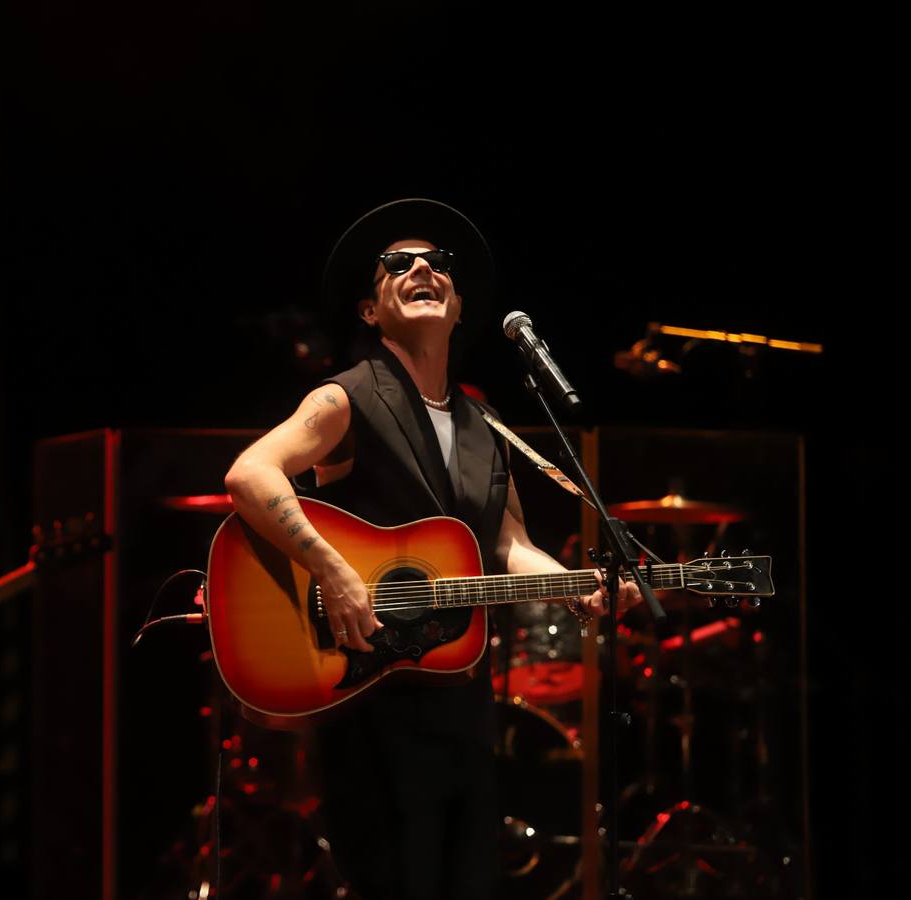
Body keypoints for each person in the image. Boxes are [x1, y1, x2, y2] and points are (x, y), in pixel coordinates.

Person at [223, 199, 640, 900]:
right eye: (399, 263)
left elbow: (509, 544)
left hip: (461, 695)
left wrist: (573, 584)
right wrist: (332, 568)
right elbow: (250, 474)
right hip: (371, 690)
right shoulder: (346, 398)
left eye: (438, 263)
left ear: (458, 305)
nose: (423, 269)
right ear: (369, 310)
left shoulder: (487, 425)